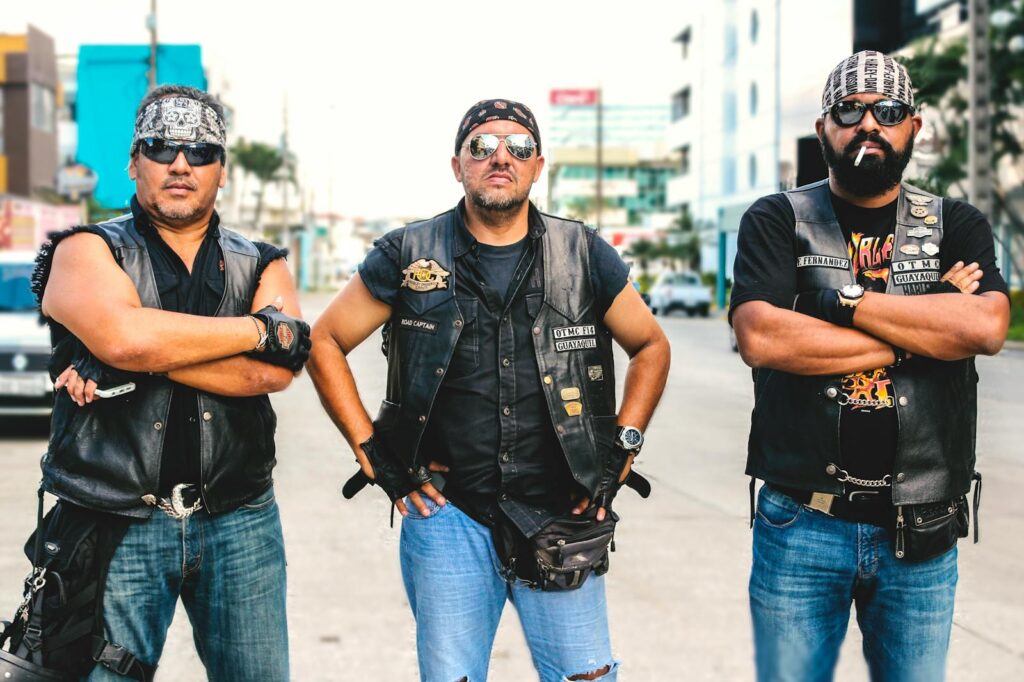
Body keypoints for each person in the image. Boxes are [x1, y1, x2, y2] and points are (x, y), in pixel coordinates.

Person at [308, 99, 670, 682]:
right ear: (457, 165)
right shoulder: (408, 254)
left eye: (518, 146)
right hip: (450, 513)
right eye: (481, 145)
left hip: (561, 513)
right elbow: (325, 340)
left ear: (538, 165)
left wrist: (622, 449)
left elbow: (651, 346)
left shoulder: (583, 253)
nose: (500, 157)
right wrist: (374, 455)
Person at [730, 51, 1011, 681]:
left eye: (887, 112)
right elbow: (763, 338)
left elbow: (986, 327)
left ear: (914, 126)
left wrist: (835, 304)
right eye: (849, 111)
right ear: (823, 129)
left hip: (923, 526)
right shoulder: (777, 220)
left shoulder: (955, 224)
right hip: (802, 520)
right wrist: (928, 324)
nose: (868, 125)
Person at [33, 85, 310, 681]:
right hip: (115, 519)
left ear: (222, 171)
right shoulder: (84, 250)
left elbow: (271, 371)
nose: (181, 164)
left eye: (201, 152)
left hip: (240, 518)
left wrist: (121, 350)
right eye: (161, 148)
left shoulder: (263, 261)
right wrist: (256, 330)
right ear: (135, 163)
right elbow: (126, 340)